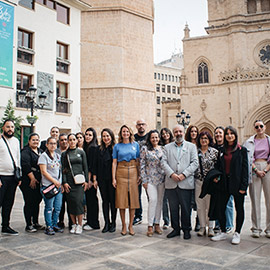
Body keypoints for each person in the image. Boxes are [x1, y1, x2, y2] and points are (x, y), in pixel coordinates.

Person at [211, 126, 248, 245]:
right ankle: (223, 231)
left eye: (232, 133)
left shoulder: (242, 150)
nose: (229, 135)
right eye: (227, 134)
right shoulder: (222, 150)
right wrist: (216, 177)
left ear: (235, 135)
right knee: (221, 208)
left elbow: (245, 170)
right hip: (224, 184)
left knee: (239, 208)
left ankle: (237, 233)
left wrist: (243, 187)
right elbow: (218, 166)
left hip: (237, 184)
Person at [161, 124, 199, 240]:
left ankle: (186, 229)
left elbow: (195, 163)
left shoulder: (191, 147)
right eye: (176, 132)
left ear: (184, 132)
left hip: (186, 182)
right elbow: (163, 163)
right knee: (173, 207)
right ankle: (176, 229)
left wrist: (184, 175)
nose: (178, 134)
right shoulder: (167, 147)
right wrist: (172, 174)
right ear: (173, 133)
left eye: (180, 131)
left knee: (186, 208)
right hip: (171, 183)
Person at [244, 120, 270, 238]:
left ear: (264, 127)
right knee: (255, 199)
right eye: (256, 127)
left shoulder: (269, 140)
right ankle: (256, 228)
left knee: (269, 199)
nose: (259, 128)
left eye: (261, 126)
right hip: (254, 169)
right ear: (254, 128)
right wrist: (256, 170)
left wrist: (265, 170)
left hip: (267, 169)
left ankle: (269, 228)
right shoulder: (249, 141)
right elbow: (248, 158)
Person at [112, 125, 140, 236]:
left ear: (130, 133)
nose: (125, 133)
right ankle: (123, 225)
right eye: (123, 131)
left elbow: (138, 160)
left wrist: (139, 175)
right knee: (122, 200)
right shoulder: (117, 146)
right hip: (121, 171)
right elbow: (114, 162)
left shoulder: (135, 145)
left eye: (127, 131)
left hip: (133, 171)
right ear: (121, 133)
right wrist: (113, 178)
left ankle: (130, 226)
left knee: (133, 200)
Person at [62, 133, 89, 234]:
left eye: (74, 139)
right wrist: (64, 182)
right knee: (71, 204)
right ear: (68, 141)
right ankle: (73, 224)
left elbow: (85, 167)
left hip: (80, 182)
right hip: (69, 182)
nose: (72, 141)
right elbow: (63, 169)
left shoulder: (81, 152)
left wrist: (86, 181)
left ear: (77, 141)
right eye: (70, 140)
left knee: (79, 203)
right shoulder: (65, 154)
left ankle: (80, 225)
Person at [140, 130, 165, 237]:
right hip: (150, 179)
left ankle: (157, 223)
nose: (155, 139)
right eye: (152, 137)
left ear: (159, 138)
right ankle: (150, 225)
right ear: (149, 139)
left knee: (159, 201)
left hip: (161, 179)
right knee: (153, 200)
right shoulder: (145, 149)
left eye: (156, 137)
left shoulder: (163, 149)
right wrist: (144, 180)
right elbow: (141, 165)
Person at [93, 128, 117, 233]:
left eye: (107, 136)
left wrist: (115, 179)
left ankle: (113, 223)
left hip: (112, 180)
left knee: (113, 201)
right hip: (102, 179)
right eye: (104, 136)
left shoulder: (115, 149)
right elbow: (95, 165)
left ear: (111, 137)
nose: (106, 138)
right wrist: (95, 179)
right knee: (105, 201)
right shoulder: (98, 150)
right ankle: (106, 223)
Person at [195, 131, 218, 237]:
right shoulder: (195, 151)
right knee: (200, 205)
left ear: (209, 140)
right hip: (198, 181)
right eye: (202, 138)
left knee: (210, 205)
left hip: (210, 183)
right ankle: (202, 226)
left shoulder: (214, 152)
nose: (204, 140)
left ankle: (211, 228)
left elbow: (218, 167)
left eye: (206, 138)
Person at [0, 120, 21, 235]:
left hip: (12, 177)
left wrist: (19, 176)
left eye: (12, 127)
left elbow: (18, 158)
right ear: (3, 127)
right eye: (8, 127)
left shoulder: (16, 141)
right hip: (1, 176)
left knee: (9, 203)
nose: (10, 129)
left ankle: (6, 225)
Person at [38, 137, 63, 235]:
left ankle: (54, 224)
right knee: (49, 207)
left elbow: (60, 170)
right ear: (47, 145)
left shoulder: (57, 156)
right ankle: (48, 226)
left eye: (54, 143)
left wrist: (59, 183)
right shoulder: (43, 156)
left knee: (57, 207)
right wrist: (54, 181)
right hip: (48, 186)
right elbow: (43, 171)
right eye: (51, 143)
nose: (53, 145)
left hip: (58, 186)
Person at [20, 133, 44, 233]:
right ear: (29, 141)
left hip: (39, 180)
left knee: (37, 201)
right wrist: (32, 178)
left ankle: (35, 222)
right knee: (29, 202)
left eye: (37, 140)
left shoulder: (41, 151)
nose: (35, 142)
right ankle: (28, 224)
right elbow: (25, 165)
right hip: (28, 181)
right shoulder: (25, 151)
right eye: (33, 140)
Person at [213, 126, 234, 234]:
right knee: (217, 202)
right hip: (216, 179)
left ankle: (229, 224)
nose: (218, 135)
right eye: (216, 133)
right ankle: (218, 224)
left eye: (220, 133)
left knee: (228, 202)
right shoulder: (213, 147)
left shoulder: (228, 147)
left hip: (227, 179)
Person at [83, 127, 100, 230]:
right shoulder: (87, 147)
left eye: (90, 135)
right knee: (89, 200)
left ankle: (94, 223)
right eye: (86, 134)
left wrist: (91, 180)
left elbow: (92, 166)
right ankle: (90, 221)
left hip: (90, 179)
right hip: (87, 178)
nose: (87, 136)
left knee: (92, 200)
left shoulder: (93, 148)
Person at [185, 125, 200, 232]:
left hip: (199, 176)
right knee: (188, 201)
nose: (193, 133)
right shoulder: (185, 145)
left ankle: (199, 222)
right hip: (188, 176)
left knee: (199, 200)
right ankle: (187, 224)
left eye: (195, 131)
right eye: (191, 131)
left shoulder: (201, 145)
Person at [133, 119, 148, 225]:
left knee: (151, 196)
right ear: (136, 126)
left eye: (142, 124)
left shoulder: (149, 137)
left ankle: (154, 218)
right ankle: (138, 216)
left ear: (145, 125)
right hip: (136, 169)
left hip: (149, 170)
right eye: (139, 124)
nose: (141, 126)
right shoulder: (132, 138)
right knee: (136, 194)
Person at [55, 134, 72, 230]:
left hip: (69, 181)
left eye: (66, 139)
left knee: (70, 203)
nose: (64, 141)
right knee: (60, 204)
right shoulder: (55, 151)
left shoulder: (71, 151)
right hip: (58, 181)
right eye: (62, 140)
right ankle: (60, 221)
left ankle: (71, 221)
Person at [160, 127, 174, 229]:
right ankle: (166, 221)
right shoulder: (160, 147)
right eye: (163, 134)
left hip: (172, 175)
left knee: (173, 200)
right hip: (162, 176)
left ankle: (175, 221)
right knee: (164, 200)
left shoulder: (174, 146)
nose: (165, 135)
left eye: (167, 133)